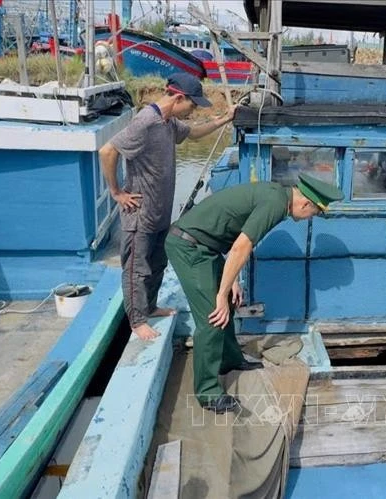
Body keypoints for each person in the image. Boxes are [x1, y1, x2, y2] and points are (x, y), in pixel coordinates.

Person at [165, 174, 344, 413]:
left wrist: (233, 283)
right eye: (313, 214)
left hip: (207, 247)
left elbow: (235, 234)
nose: (307, 220)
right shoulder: (276, 204)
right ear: (305, 204)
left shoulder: (278, 195)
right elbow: (242, 246)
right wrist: (220, 294)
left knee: (228, 301)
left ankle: (229, 359)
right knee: (212, 317)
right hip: (189, 248)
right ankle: (207, 393)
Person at [99, 73, 237, 341]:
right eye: (192, 105)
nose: (193, 110)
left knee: (158, 263)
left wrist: (225, 119)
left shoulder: (169, 123)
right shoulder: (145, 122)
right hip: (140, 213)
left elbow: (195, 134)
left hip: (161, 211)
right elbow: (107, 151)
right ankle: (137, 320)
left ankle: (150, 306)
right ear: (178, 98)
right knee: (136, 269)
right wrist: (116, 191)